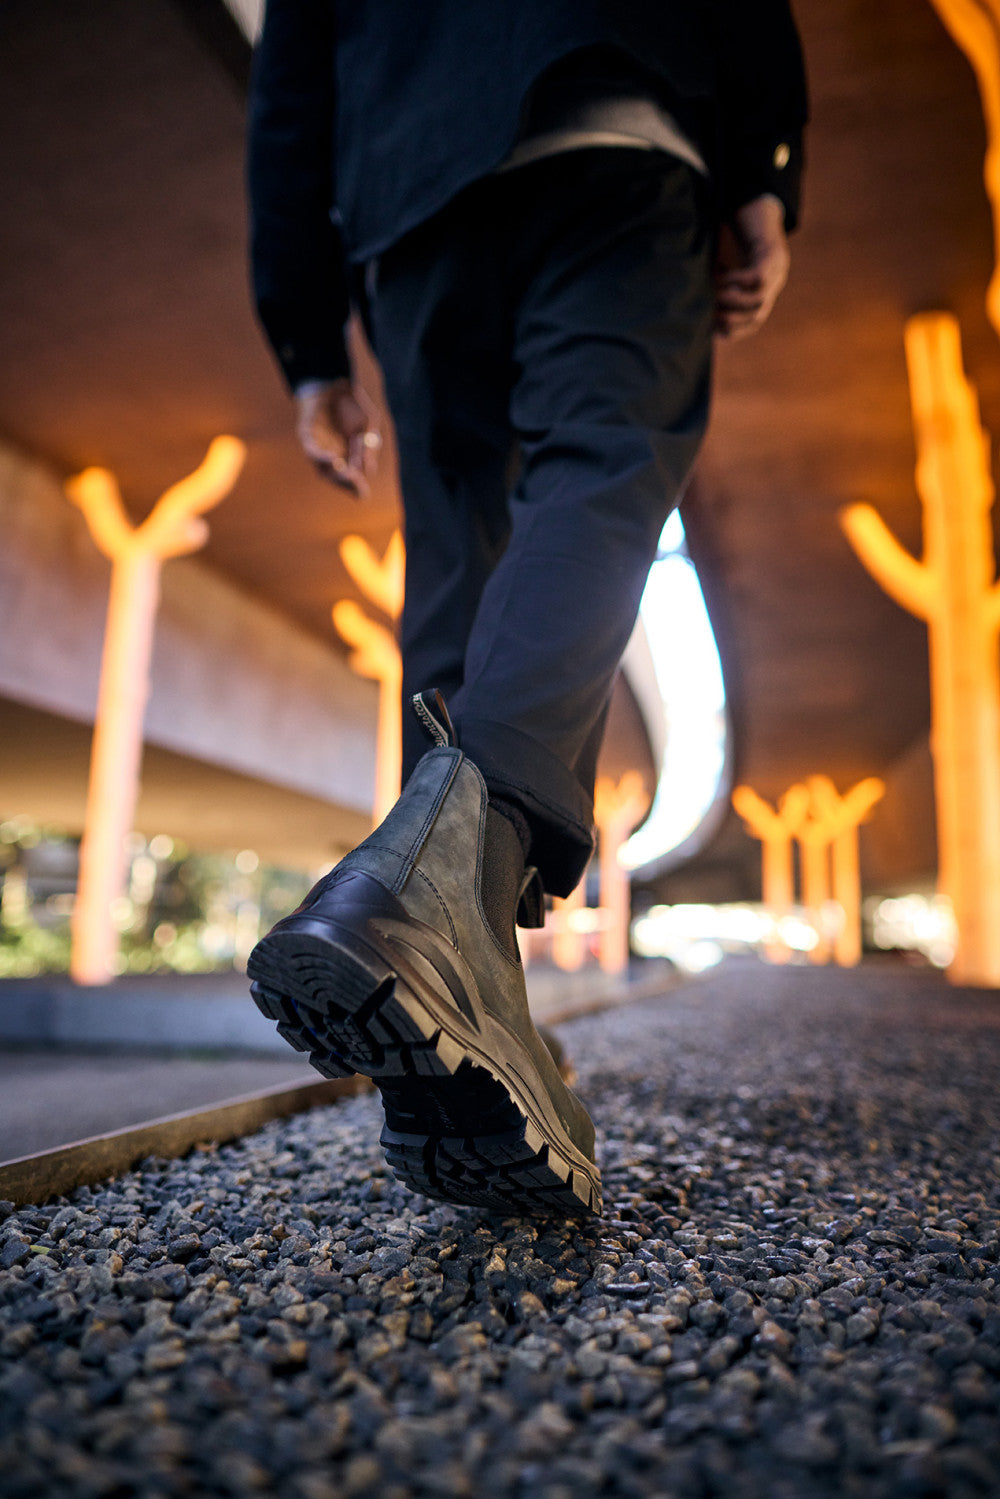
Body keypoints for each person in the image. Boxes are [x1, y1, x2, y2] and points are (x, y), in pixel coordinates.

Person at [246, 0, 808, 1217]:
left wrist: (305, 339)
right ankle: (445, 932)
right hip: (611, 106)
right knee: (601, 469)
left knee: (453, 558)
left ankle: (459, 991)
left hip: (413, 191)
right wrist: (763, 163)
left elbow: (293, 72)